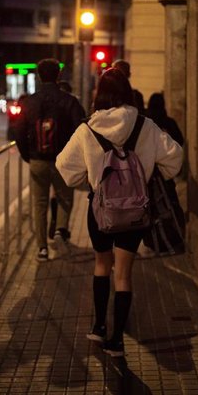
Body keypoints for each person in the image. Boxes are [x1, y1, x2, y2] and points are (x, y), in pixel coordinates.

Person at [56, 68, 183, 357]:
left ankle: (99, 327)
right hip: (137, 210)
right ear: (127, 92)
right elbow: (175, 158)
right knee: (124, 274)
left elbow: (65, 168)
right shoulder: (145, 125)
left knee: (102, 265)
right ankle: (117, 341)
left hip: (100, 211)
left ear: (99, 94)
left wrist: (90, 181)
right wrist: (151, 172)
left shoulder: (88, 129)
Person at [16, 59, 86, 261]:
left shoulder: (29, 102)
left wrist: (28, 156)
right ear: (58, 76)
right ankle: (60, 230)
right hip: (63, 161)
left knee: (39, 203)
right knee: (65, 197)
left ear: (39, 76)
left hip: (38, 160)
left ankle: (42, 249)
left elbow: (19, 132)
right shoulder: (69, 101)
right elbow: (80, 130)